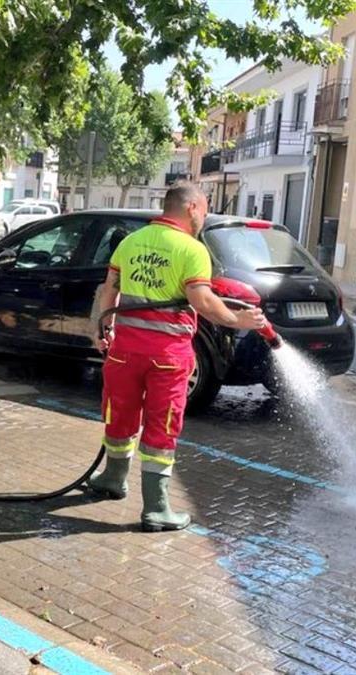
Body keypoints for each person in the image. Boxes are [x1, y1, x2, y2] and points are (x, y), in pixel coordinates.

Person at [89, 182, 266, 532]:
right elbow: (202, 301)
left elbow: (109, 291)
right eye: (205, 210)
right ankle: (156, 508)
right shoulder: (191, 249)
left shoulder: (130, 242)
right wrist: (238, 320)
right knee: (162, 425)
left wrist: (101, 328)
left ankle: (113, 478)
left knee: (120, 414)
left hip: (124, 352)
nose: (204, 218)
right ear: (191, 208)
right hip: (167, 358)